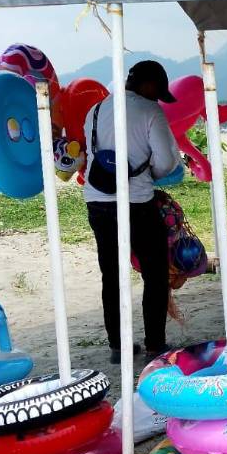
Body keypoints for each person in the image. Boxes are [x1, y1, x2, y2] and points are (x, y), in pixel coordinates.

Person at [83, 60, 181, 364]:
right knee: (155, 273)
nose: (157, 97)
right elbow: (167, 161)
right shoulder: (150, 111)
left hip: (97, 200)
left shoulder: (95, 110)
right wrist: (150, 174)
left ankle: (118, 346)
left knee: (111, 274)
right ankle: (155, 345)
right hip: (136, 202)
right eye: (157, 91)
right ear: (148, 85)